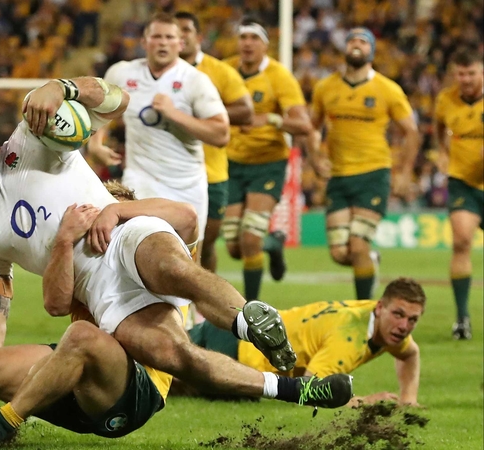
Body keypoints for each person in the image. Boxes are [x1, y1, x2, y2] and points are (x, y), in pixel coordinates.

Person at [0, 184, 352, 449]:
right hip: (80, 369)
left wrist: (119, 209)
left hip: (135, 386)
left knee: (117, 340)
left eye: (103, 209)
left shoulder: (142, 236)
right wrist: (65, 242)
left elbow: (185, 217)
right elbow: (53, 302)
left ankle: (1, 429)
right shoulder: (74, 249)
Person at [88, 12, 230, 255]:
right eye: (156, 37)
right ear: (144, 42)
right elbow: (100, 112)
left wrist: (175, 114)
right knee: (138, 250)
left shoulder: (196, 81)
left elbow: (221, 134)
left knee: (188, 262)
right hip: (139, 179)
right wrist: (95, 144)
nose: (163, 42)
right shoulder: (122, 73)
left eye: (169, 37)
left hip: (185, 184)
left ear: (180, 44)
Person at [182, 277, 424, 407]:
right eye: (399, 314)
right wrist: (367, 402)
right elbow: (313, 390)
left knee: (157, 365)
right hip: (236, 353)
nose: (404, 326)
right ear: (381, 307)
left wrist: (408, 398)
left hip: (242, 335)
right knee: (160, 372)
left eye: (412, 319)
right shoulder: (349, 339)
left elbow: (410, 354)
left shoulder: (380, 321)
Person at [308, 27, 419, 300]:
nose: (356, 45)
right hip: (339, 176)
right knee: (339, 253)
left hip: (373, 174)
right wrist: (315, 157)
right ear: (344, 48)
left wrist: (404, 171)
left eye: (363, 41)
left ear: (371, 50)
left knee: (357, 246)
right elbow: (312, 128)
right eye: (352, 40)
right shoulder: (326, 87)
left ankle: (364, 310)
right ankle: (371, 260)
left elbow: (412, 132)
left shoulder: (388, 89)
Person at [222, 17, 313, 301]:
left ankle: (251, 309)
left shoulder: (279, 77)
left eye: (254, 38)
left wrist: (270, 119)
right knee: (234, 247)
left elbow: (303, 125)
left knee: (250, 239)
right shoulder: (225, 71)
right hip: (231, 163)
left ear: (265, 45)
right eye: (243, 37)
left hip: (267, 163)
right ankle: (273, 243)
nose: (247, 43)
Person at [175, 11, 253, 278]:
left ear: (198, 37)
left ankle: (204, 301)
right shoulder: (156, 74)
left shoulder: (220, 72)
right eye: (175, 31)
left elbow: (247, 112)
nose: (180, 35)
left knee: (206, 242)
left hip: (213, 172)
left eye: (185, 29)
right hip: (169, 172)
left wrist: (205, 115)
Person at [434, 47, 483, 340]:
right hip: (463, 181)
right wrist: (443, 151)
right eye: (460, 73)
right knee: (462, 241)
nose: (465, 79)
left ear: (481, 72)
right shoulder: (446, 100)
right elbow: (439, 127)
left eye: (472, 73)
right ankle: (462, 317)